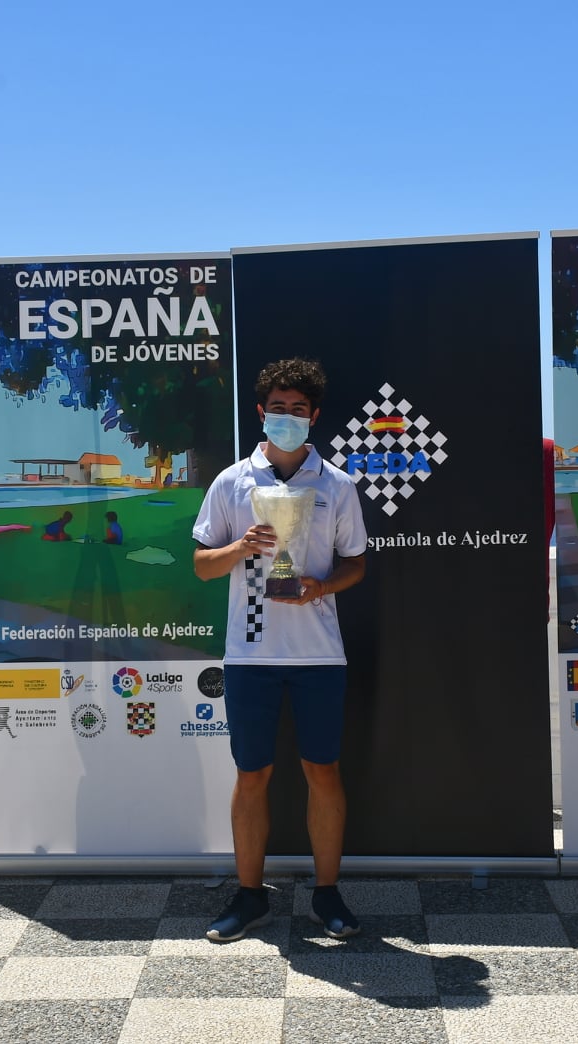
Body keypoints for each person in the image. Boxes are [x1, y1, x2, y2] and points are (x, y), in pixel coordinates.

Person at [191, 357, 368, 942]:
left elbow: (356, 564)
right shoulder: (231, 482)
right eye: (278, 409)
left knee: (323, 771)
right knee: (252, 774)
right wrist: (242, 547)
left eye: (299, 410)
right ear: (261, 413)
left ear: (313, 417)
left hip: (319, 653)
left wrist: (322, 585)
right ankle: (248, 897)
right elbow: (201, 566)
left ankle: (327, 894)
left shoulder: (336, 484)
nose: (287, 418)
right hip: (250, 656)